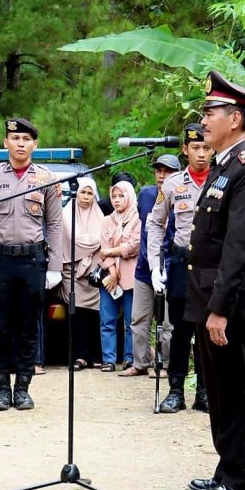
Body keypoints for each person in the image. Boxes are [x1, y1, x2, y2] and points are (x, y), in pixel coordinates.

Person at [186, 71, 245, 490]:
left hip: (229, 304)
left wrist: (219, 308)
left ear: (235, 118)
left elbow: (239, 248)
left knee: (236, 390)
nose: (204, 119)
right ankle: (228, 470)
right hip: (209, 298)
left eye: (211, 111)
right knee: (219, 391)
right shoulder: (223, 168)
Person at [0, 117, 63, 411]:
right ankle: (2, 389)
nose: (21, 144)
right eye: (15, 138)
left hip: (32, 260)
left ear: (35, 144)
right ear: (6, 142)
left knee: (28, 327)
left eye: (26, 139)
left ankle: (22, 388)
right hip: (0, 260)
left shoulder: (47, 179)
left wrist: (55, 265)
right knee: (1, 327)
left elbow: (56, 224)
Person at [148, 125, 215, 411]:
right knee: (179, 330)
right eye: (195, 148)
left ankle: (204, 391)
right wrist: (154, 264)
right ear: (185, 150)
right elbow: (154, 222)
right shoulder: (173, 184)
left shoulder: (222, 179)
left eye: (206, 148)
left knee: (206, 331)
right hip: (180, 264)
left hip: (211, 266)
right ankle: (175, 390)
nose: (201, 154)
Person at [121, 154, 179, 378]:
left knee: (167, 322)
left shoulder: (181, 193)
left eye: (168, 171)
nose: (162, 175)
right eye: (159, 171)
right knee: (138, 317)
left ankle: (164, 364)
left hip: (170, 266)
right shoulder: (145, 195)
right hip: (144, 267)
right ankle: (140, 362)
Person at [62, 178, 105, 371]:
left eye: (89, 193)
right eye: (82, 192)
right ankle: (79, 356)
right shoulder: (67, 212)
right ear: (76, 193)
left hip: (95, 273)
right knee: (77, 314)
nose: (86, 197)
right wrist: (96, 241)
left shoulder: (100, 214)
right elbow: (77, 240)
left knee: (95, 315)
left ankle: (96, 355)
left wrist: (95, 242)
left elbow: (106, 238)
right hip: (72, 272)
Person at [97, 180, 140, 372]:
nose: (116, 200)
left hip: (131, 277)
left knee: (131, 321)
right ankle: (109, 359)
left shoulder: (138, 219)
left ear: (129, 196)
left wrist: (110, 252)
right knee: (107, 320)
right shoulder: (107, 221)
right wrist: (113, 273)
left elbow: (133, 246)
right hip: (110, 278)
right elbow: (102, 250)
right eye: (113, 196)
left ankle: (130, 358)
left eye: (121, 196)